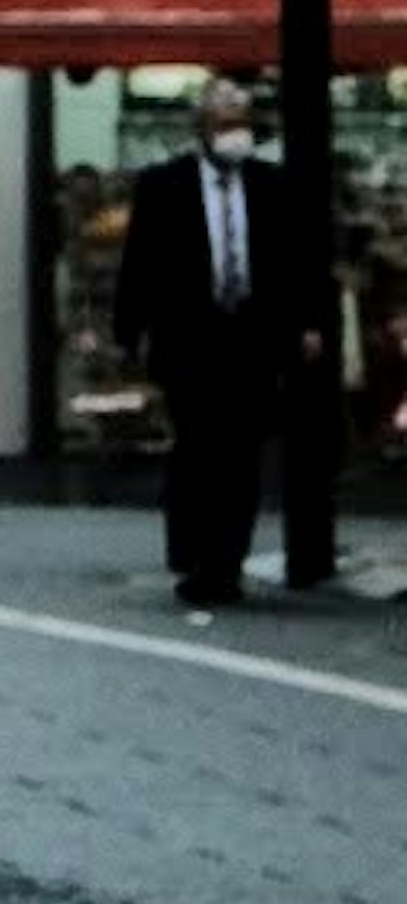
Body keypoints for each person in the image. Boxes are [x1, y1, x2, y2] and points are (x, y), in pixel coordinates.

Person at [114, 77, 311, 607]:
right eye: (225, 124)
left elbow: (295, 264)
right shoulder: (165, 186)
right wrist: (127, 333)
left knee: (241, 455)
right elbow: (140, 262)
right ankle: (194, 554)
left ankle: (226, 563)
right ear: (202, 129)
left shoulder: (271, 186)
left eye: (242, 123)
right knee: (198, 448)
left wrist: (304, 325)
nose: (235, 134)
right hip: (189, 338)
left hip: (250, 337)